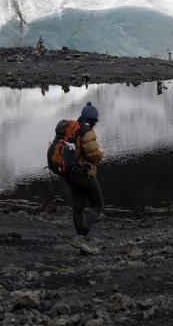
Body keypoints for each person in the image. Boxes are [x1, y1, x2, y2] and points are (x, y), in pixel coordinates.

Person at [67, 102, 106, 255]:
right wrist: (101, 154)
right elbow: (93, 155)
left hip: (70, 174)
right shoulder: (86, 131)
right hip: (84, 174)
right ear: (92, 120)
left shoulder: (72, 129)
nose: (95, 123)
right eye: (95, 120)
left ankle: (80, 240)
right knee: (98, 205)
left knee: (78, 208)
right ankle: (81, 238)